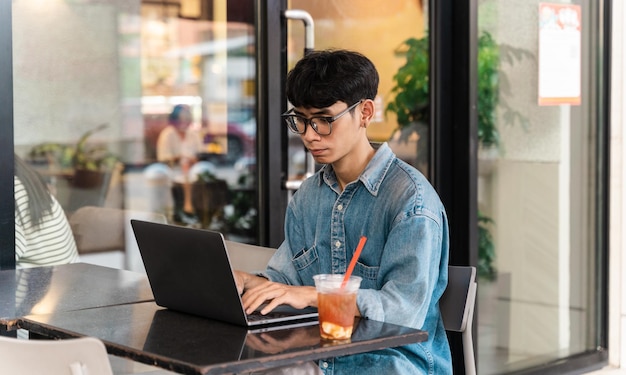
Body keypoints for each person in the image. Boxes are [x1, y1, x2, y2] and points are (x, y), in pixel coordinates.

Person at [234, 50, 451, 374]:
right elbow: (286, 282)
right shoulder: (309, 196)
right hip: (318, 358)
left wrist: (312, 296)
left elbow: (403, 311)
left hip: (390, 364)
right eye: (301, 120)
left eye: (323, 119)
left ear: (364, 112)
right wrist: (247, 282)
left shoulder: (410, 201)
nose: (309, 134)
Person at [14, 153, 80, 268]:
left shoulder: (8, 187)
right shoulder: (24, 178)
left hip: (40, 279)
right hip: (64, 276)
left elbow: (6, 254)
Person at [156, 104, 204, 225]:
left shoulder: (193, 134)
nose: (185, 121)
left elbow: (199, 155)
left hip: (191, 169)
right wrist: (180, 158)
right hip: (174, 169)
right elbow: (163, 157)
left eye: (187, 118)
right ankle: (187, 205)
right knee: (184, 166)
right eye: (182, 118)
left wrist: (191, 160)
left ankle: (193, 208)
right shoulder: (167, 134)